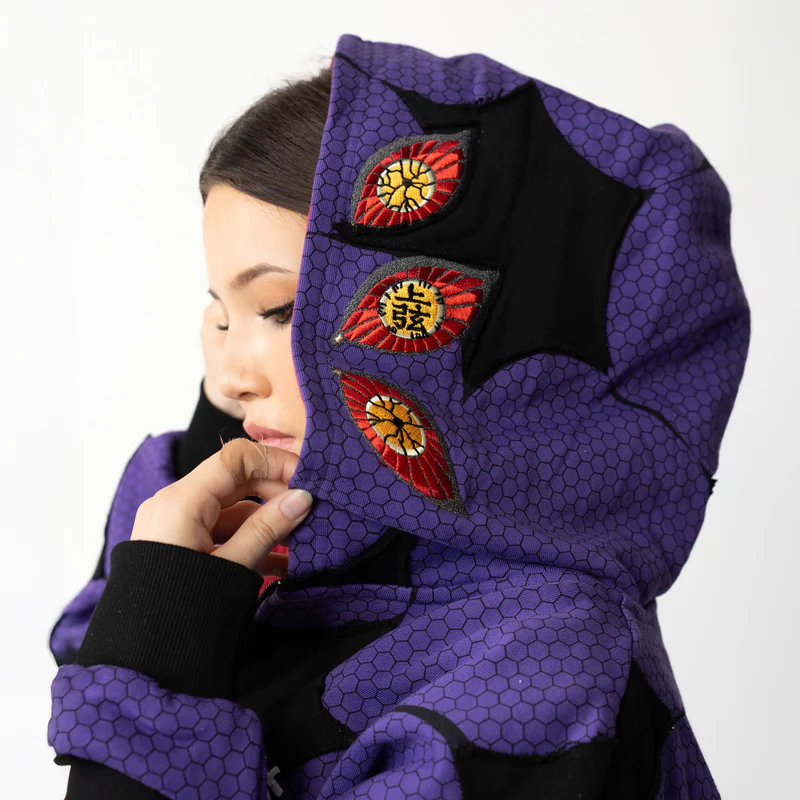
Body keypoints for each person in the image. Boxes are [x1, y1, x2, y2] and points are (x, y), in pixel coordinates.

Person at [47, 32, 751, 800]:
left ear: (470, 320)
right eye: (221, 313)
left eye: (280, 310)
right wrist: (165, 606)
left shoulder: (546, 671)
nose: (230, 377)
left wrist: (153, 646)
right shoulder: (269, 561)